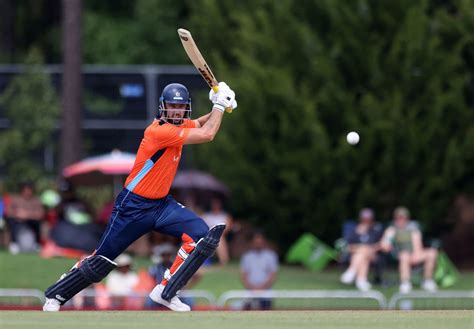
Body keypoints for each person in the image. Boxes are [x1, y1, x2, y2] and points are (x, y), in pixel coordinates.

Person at [43, 82, 237, 312]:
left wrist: (222, 105)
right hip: (133, 206)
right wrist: (219, 106)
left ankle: (167, 291)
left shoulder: (180, 125)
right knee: (102, 260)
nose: (176, 111)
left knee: (201, 235)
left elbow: (200, 123)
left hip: (161, 205)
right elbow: (207, 133)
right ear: (163, 107)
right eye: (172, 106)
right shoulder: (159, 131)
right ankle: (56, 295)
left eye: (181, 106)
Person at [380, 206, 438, 293]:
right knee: (404, 255)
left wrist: (416, 255)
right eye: (399, 218)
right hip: (398, 255)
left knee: (432, 253)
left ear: (407, 218)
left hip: (414, 254)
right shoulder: (391, 230)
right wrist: (387, 246)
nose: (401, 220)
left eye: (403, 217)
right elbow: (384, 244)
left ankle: (427, 280)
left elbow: (417, 246)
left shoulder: (413, 229)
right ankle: (405, 282)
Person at [340, 208, 384, 291]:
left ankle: (351, 271)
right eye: (365, 219)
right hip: (357, 255)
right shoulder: (354, 230)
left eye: (368, 219)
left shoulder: (376, 229)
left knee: (364, 250)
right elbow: (348, 247)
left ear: (371, 219)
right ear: (361, 219)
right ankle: (361, 281)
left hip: (373, 255)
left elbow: (381, 244)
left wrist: (369, 248)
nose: (366, 221)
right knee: (362, 256)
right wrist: (361, 248)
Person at [240, 231, 278, 310]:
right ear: (252, 242)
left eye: (260, 241)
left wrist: (262, 288)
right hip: (250, 291)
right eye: (256, 242)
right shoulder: (247, 257)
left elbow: (272, 275)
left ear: (264, 241)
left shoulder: (271, 256)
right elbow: (244, 276)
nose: (258, 243)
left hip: (266, 291)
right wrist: (252, 288)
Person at [6, 181, 44, 253]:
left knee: (37, 223)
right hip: (18, 221)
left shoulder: (36, 200)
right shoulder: (15, 199)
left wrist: (27, 215)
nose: (27, 192)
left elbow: (40, 214)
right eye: (25, 190)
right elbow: (8, 212)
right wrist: (17, 214)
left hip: (31, 221)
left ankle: (37, 244)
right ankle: (14, 244)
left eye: (29, 190)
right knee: (11, 221)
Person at [202, 197, 232, 265]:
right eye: (214, 204)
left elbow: (229, 226)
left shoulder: (224, 215)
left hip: (220, 235)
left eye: (217, 203)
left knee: (220, 239)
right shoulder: (207, 215)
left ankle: (223, 261)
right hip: (208, 235)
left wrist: (219, 233)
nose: (215, 205)